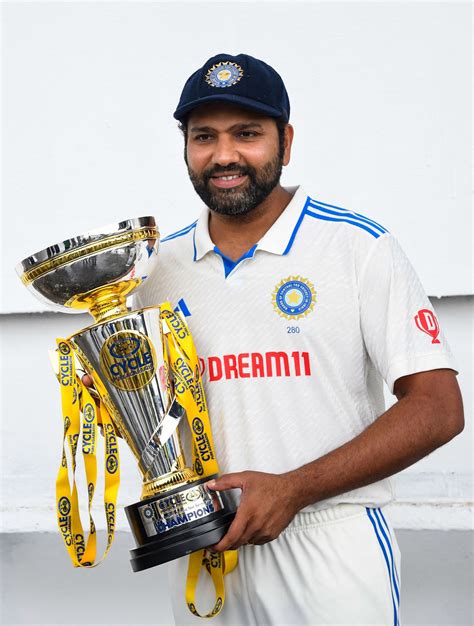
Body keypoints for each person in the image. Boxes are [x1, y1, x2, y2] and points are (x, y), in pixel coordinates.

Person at [134, 53, 464, 625]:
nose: (224, 155)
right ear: (185, 147)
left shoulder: (356, 246)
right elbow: (161, 420)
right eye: (203, 136)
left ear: (285, 140)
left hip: (330, 542)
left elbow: (438, 408)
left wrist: (294, 488)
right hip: (207, 550)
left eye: (247, 134)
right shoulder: (154, 270)